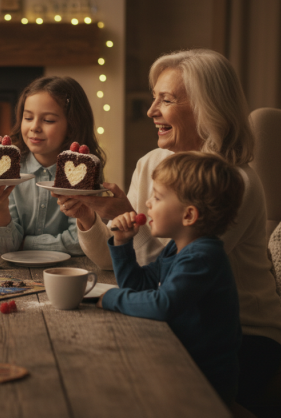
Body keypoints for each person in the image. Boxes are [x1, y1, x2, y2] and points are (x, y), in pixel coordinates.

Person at [56, 49, 281, 408]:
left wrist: (125, 213)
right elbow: (111, 264)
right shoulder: (152, 164)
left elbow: (172, 273)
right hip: (178, 319)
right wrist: (92, 215)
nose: (151, 112)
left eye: (166, 100)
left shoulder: (232, 182)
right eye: (153, 99)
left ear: (207, 107)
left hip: (242, 336)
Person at [99, 151, 243, 405]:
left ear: (188, 215)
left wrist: (110, 297)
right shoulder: (176, 248)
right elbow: (139, 286)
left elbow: (163, 304)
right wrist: (122, 243)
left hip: (203, 380)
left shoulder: (203, 257)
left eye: (157, 197)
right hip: (176, 356)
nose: (147, 204)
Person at [0, 76, 105, 254]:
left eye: (48, 120)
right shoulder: (10, 169)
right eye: (28, 117)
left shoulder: (84, 172)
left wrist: (25, 244)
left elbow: (79, 242)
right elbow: (5, 246)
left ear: (72, 126)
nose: (34, 127)